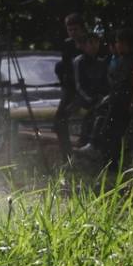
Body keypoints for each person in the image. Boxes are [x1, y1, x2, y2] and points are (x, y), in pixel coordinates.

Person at [76, 28, 133, 164]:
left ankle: (112, 166)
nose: (116, 45)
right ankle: (105, 162)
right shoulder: (122, 60)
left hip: (124, 104)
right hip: (116, 101)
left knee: (112, 136)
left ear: (124, 43)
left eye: (118, 42)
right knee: (107, 133)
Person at [54, 12, 89, 158]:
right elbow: (65, 69)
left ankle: (86, 150)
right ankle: (67, 156)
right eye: (70, 30)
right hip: (71, 88)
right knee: (59, 119)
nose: (73, 33)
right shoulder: (68, 45)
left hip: (88, 88)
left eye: (76, 29)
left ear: (82, 29)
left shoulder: (90, 43)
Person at [71, 32, 109, 147]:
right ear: (84, 45)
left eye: (96, 42)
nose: (94, 46)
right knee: (95, 109)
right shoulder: (79, 61)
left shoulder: (101, 62)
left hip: (98, 97)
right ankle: (87, 141)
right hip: (84, 98)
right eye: (90, 43)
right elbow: (78, 86)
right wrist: (90, 98)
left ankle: (96, 142)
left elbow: (105, 83)